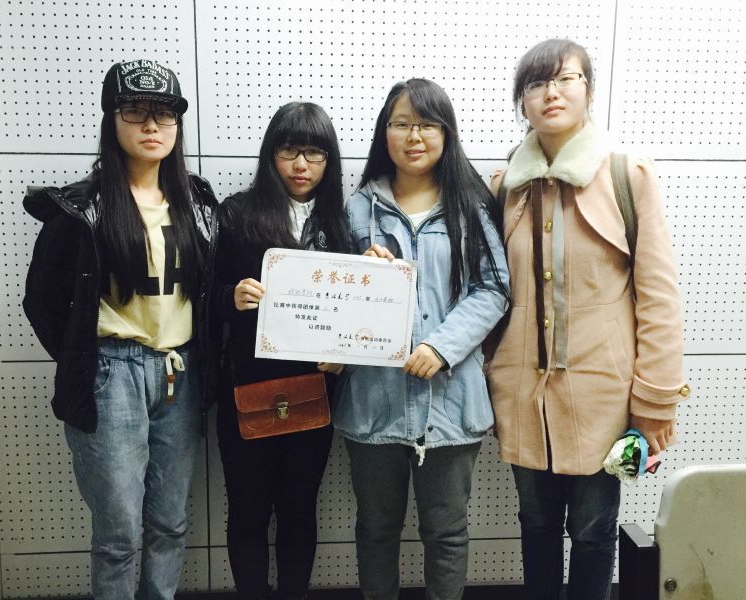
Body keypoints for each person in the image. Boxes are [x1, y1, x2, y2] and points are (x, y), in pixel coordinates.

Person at [486, 39, 690, 600]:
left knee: (595, 532)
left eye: (565, 79)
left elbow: (659, 298)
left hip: (605, 397)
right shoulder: (504, 187)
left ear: (589, 91)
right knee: (535, 525)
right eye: (536, 84)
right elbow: (487, 292)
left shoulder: (627, 175)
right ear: (522, 101)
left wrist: (654, 402)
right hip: (523, 394)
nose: (550, 93)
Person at [22, 59, 219, 600]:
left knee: (170, 523)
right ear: (112, 119)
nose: (151, 125)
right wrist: (86, 359)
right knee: (117, 535)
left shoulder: (199, 205)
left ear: (177, 125)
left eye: (165, 114)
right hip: (112, 374)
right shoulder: (81, 208)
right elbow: (41, 301)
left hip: (182, 372)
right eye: (135, 111)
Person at [334, 78, 510, 600]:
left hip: (451, 402)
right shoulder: (357, 209)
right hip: (375, 400)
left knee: (448, 532)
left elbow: (494, 288)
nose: (414, 136)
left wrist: (440, 347)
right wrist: (360, 274)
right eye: (401, 124)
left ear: (446, 133)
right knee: (375, 530)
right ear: (384, 133)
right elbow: (330, 299)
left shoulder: (471, 207)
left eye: (427, 124)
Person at [213, 101, 349, 600]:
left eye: (315, 154)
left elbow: (357, 311)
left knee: (299, 507)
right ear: (271, 154)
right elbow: (200, 294)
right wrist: (230, 297)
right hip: (247, 386)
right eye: (290, 151)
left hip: (315, 386)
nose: (301, 165)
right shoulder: (236, 213)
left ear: (329, 162)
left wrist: (345, 351)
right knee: (247, 509)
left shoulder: (341, 222)